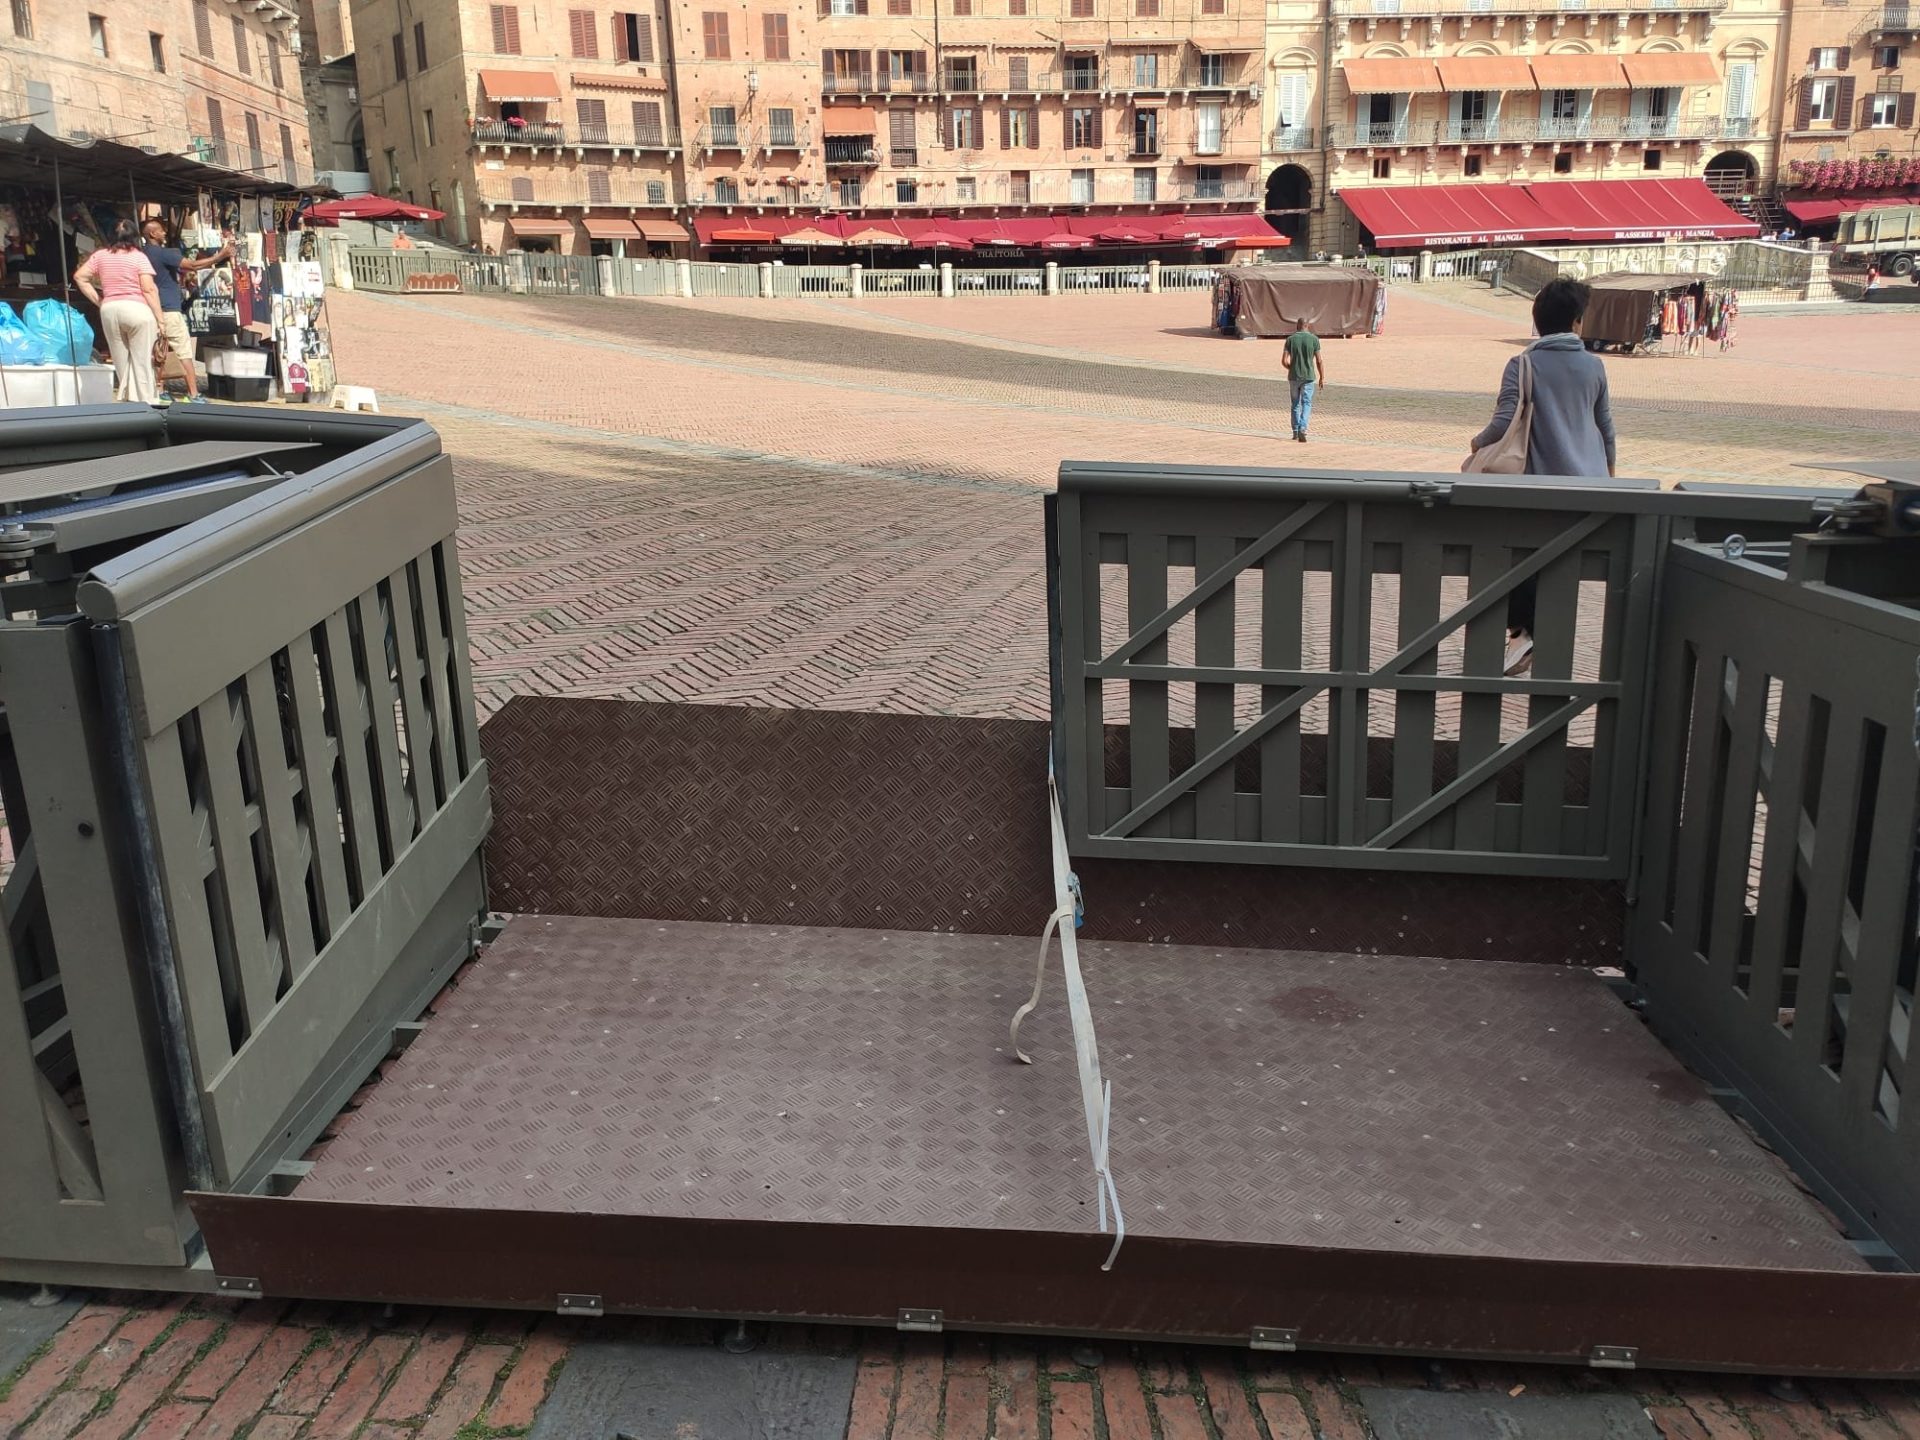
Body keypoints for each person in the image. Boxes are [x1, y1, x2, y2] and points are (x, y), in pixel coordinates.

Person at [1469, 277, 1616, 673]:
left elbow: (1503, 422)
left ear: (1537, 321)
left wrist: (1476, 443)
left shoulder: (1522, 364)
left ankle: (1524, 631)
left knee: (1512, 551)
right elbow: (1605, 427)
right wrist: (1609, 474)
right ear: (1577, 321)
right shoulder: (1594, 366)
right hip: (1588, 485)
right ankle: (1533, 638)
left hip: (1538, 484)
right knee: (1558, 562)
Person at [73, 219, 166, 405]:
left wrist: (100, 301)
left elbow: (79, 277)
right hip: (137, 309)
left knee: (120, 361)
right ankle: (146, 402)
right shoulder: (139, 257)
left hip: (110, 310)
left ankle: (127, 402)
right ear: (134, 236)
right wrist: (161, 320)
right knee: (142, 361)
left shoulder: (100, 255)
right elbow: (148, 289)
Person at [141, 217, 231, 404]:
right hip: (169, 310)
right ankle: (193, 394)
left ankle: (160, 390)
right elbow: (192, 265)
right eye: (161, 230)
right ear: (152, 234)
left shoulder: (142, 254)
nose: (164, 233)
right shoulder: (163, 254)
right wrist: (220, 256)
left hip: (151, 309)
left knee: (159, 350)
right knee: (184, 352)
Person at [1284, 317, 1324, 444]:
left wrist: (1292, 368)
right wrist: (1322, 377)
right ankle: (1303, 427)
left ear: (1298, 325)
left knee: (1295, 404)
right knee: (1306, 403)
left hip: (1293, 377)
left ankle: (1295, 431)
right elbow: (1319, 360)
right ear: (1308, 326)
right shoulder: (1314, 339)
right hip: (1308, 377)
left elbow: (1284, 361)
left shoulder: (1290, 339)